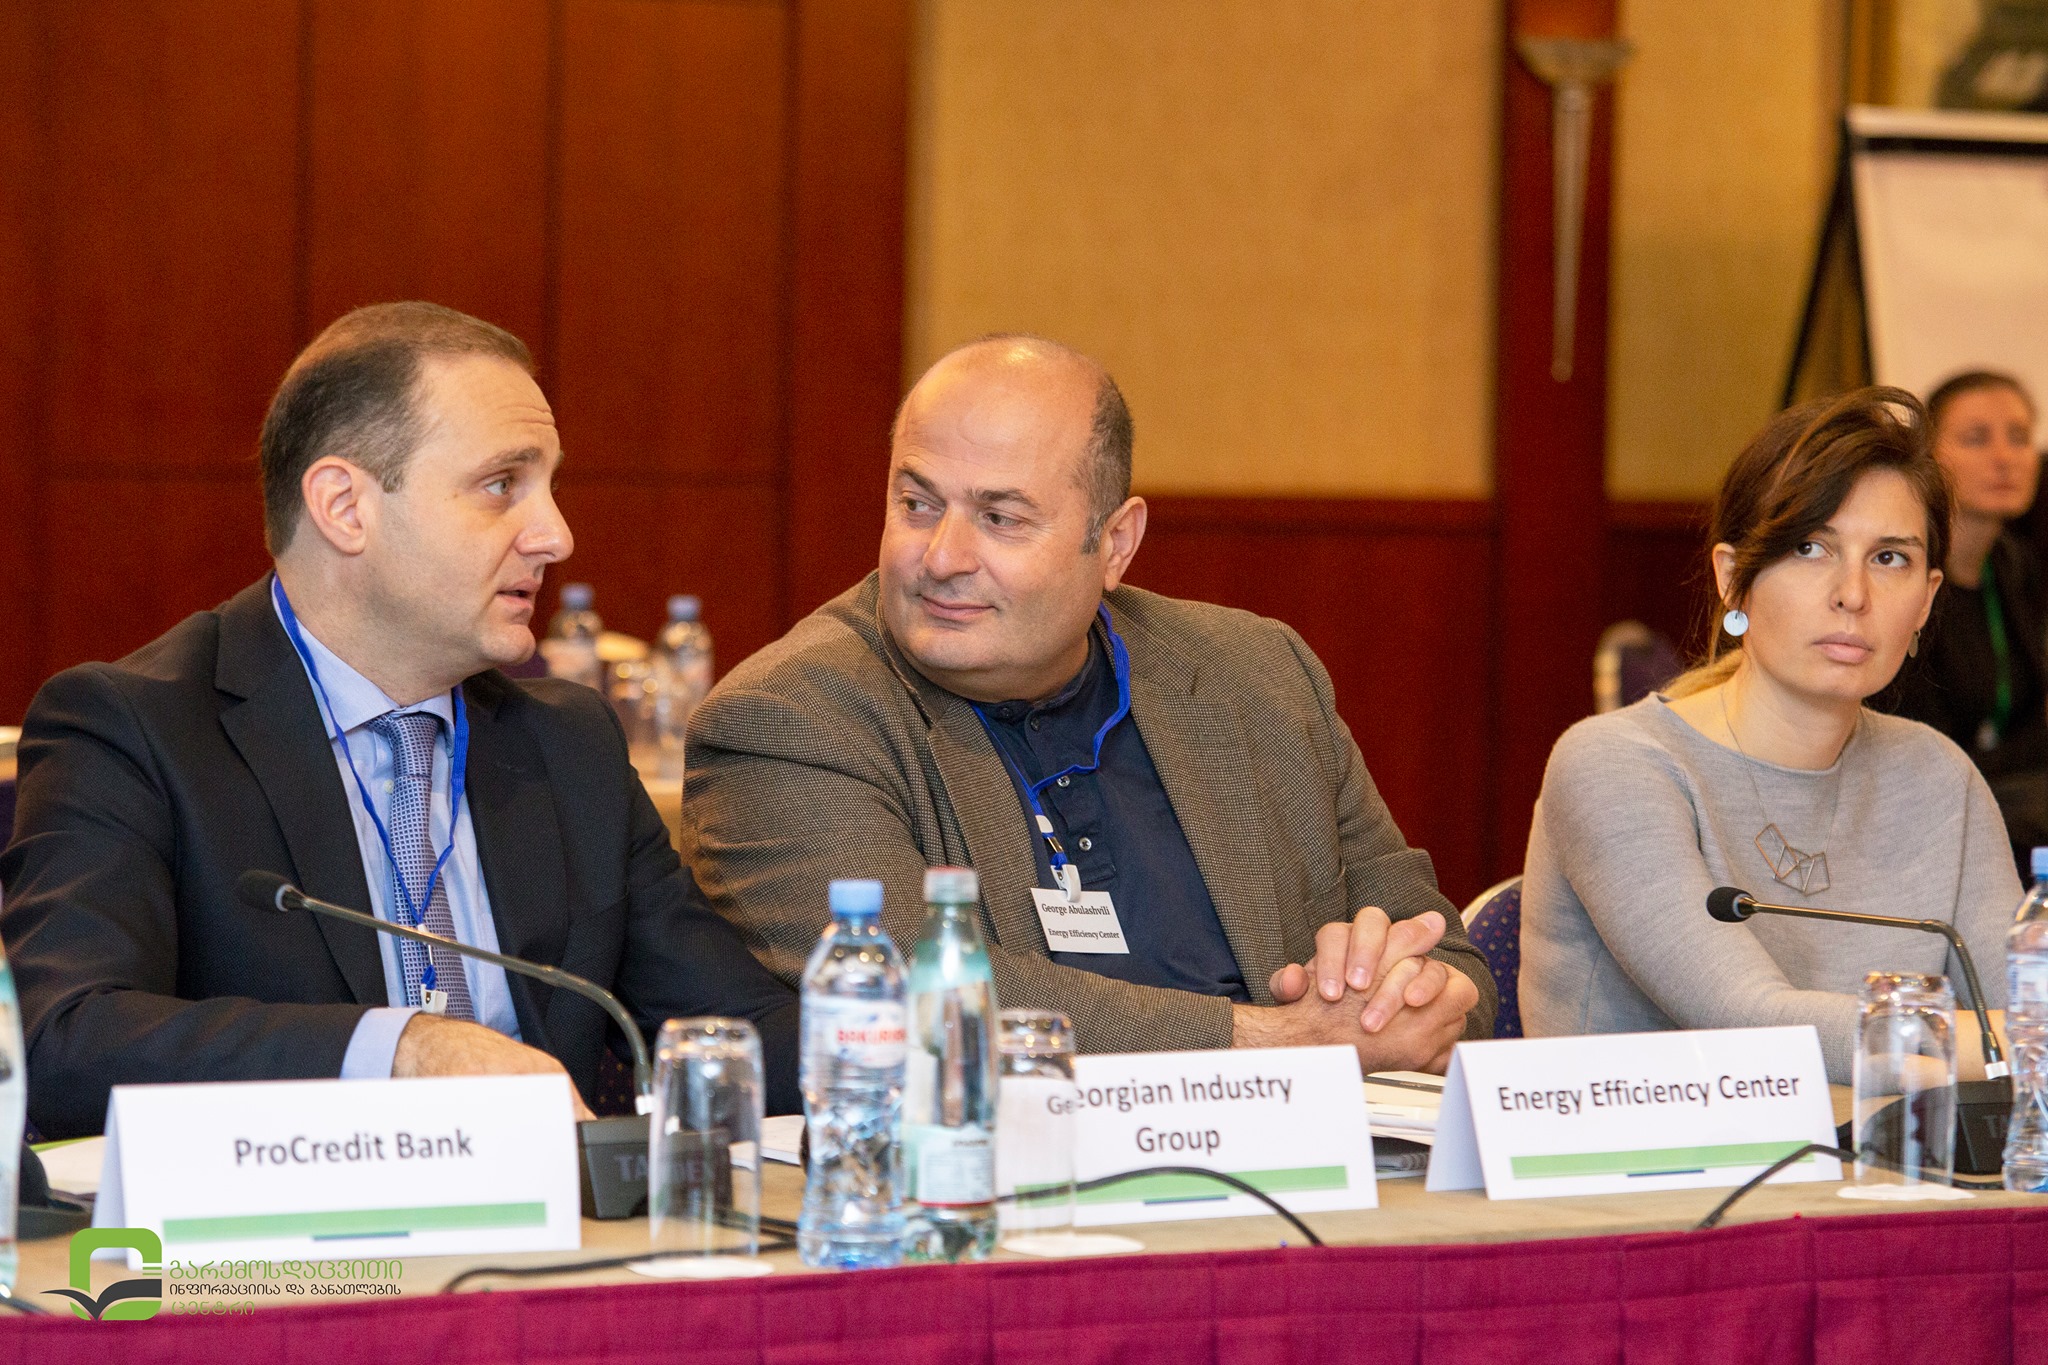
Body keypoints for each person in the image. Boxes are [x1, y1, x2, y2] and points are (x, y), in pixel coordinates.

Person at [2, 302, 800, 1139]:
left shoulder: (570, 747)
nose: (556, 536)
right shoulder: (134, 729)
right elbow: (62, 1039)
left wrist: (884, 1045)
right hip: (289, 1222)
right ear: (345, 507)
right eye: (502, 485)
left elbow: (737, 1030)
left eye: (550, 487)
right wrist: (403, 1050)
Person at [683, 335, 1494, 1071]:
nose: (943, 556)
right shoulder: (788, 721)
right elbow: (916, 994)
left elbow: (1453, 964)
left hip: (1315, 1165)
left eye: (1000, 518)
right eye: (917, 504)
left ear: (1115, 544)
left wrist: (1408, 996)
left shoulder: (1258, 674)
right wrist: (1288, 1042)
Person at [1520, 388, 2018, 1083]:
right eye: (1811, 548)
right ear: (1733, 579)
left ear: (1927, 600)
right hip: (1652, 1152)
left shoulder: (1939, 776)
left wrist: (2021, 1035)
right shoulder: (1613, 765)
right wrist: (2009, 1044)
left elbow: (2025, 1004)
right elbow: (1752, 1022)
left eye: (1890, 558)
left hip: (1885, 1152)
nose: (1853, 594)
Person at [1874, 370, 2047, 875]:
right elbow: (1918, 754)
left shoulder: (2014, 565)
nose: (2004, 457)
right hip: (1923, 817)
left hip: (2009, 802)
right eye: (1976, 438)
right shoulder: (1900, 577)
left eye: (2019, 437)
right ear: (1928, 456)